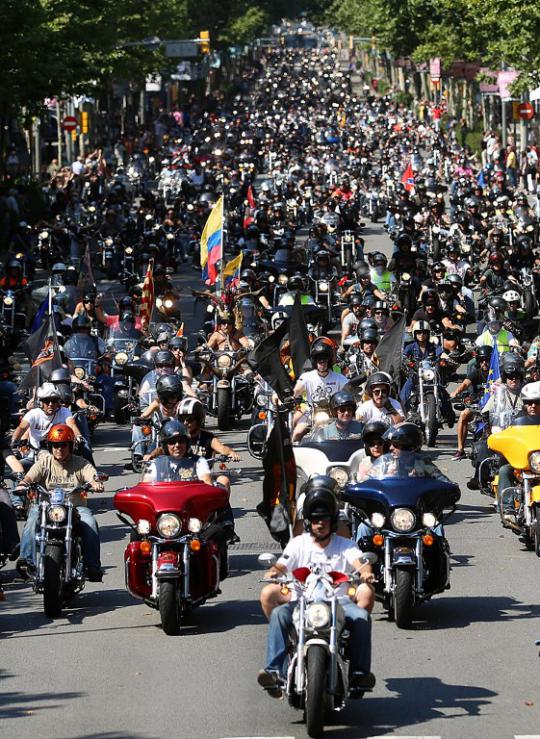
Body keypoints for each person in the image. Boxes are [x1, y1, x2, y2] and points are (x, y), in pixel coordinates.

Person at [258, 476, 376, 697]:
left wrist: (366, 572)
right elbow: (282, 565)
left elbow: (359, 563)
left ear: (332, 521)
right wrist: (274, 572)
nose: (319, 524)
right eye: (315, 519)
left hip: (338, 602)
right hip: (302, 601)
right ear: (308, 522)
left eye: (324, 519)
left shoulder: (346, 545)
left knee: (361, 617)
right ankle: (275, 671)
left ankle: (359, 674)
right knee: (278, 615)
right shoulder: (297, 544)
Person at [15, 424, 104, 581]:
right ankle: (26, 560)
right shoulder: (44, 462)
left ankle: (92, 566)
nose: (59, 449)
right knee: (31, 519)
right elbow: (29, 477)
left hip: (75, 508)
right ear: (50, 446)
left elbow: (92, 475)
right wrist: (24, 484)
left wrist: (95, 483)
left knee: (90, 522)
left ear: (70, 446)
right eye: (55, 445)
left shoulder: (81, 463)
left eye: (63, 445)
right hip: (46, 507)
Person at [292, 339, 348, 442]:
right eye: (319, 361)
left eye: (325, 361)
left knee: (351, 433)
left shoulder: (338, 377)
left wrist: (355, 393)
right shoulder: (307, 377)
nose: (322, 364)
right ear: (315, 362)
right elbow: (297, 388)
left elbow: (349, 387)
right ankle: (293, 455)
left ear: (329, 361)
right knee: (297, 433)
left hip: (334, 414)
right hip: (311, 413)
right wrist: (294, 395)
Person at [450, 345, 491, 460]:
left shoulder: (497, 374)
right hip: (477, 404)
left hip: (494, 405)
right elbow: (464, 384)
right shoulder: (475, 373)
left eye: (487, 360)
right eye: (482, 360)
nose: (484, 363)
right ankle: (460, 449)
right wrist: (456, 392)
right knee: (463, 415)